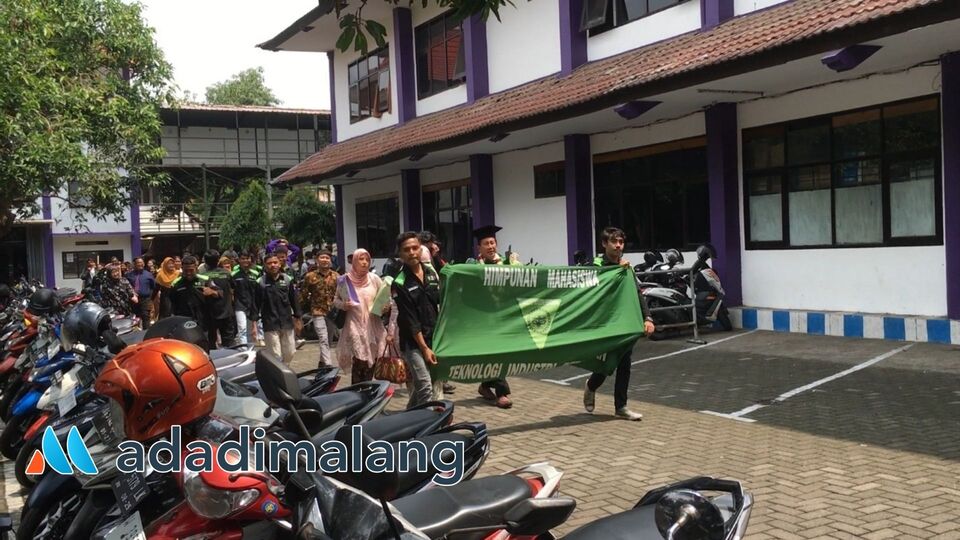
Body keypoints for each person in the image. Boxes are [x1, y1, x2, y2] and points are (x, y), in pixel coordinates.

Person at [582, 226, 654, 421]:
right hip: (604, 324)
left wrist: (648, 318)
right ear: (604, 244)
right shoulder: (597, 268)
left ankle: (620, 406)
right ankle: (591, 386)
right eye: (614, 242)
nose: (618, 245)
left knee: (624, 363)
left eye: (621, 242)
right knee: (607, 362)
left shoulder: (626, 268)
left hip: (624, 323)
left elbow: (637, 293)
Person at [392, 233, 443, 408]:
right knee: (425, 385)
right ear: (400, 254)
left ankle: (409, 416)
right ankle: (425, 427)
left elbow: (440, 302)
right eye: (406, 250)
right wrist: (425, 348)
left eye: (415, 248)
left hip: (433, 336)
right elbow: (410, 320)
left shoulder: (431, 272)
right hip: (412, 343)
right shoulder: (400, 282)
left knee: (424, 386)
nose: (412, 252)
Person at [472, 225, 516, 409]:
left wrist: (514, 264)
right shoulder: (473, 267)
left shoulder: (507, 263)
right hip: (484, 319)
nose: (490, 246)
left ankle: (484, 385)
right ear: (479, 248)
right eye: (486, 243)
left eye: (492, 242)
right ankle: (502, 393)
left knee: (500, 355)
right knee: (494, 354)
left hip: (503, 316)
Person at [334, 249, 391, 385]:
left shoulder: (374, 279)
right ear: (354, 261)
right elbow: (335, 300)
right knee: (360, 360)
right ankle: (357, 391)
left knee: (372, 359)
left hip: (373, 324)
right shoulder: (345, 280)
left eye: (367, 259)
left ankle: (368, 390)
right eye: (361, 259)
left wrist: (385, 306)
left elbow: (385, 298)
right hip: (354, 323)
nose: (365, 263)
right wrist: (343, 305)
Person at [253, 254, 302, 364]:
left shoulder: (287, 279)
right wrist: (254, 325)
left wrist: (298, 319)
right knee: (275, 355)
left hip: (287, 322)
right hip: (270, 323)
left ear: (279, 264)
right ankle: (279, 376)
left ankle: (285, 371)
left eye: (275, 262)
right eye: (269, 263)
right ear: (265, 266)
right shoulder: (260, 282)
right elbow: (255, 304)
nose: (273, 265)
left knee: (290, 352)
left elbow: (294, 300)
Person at [299, 250, 339, 367]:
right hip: (317, 311)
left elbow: (342, 293)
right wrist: (299, 313)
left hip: (332, 313)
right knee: (323, 338)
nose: (325, 260)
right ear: (317, 260)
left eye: (327, 257)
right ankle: (328, 364)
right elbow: (303, 295)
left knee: (329, 340)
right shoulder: (310, 276)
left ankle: (322, 363)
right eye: (322, 257)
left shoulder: (337, 277)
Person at [165, 255, 219, 335]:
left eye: (191, 270)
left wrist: (212, 292)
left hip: (204, 321)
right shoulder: (176, 284)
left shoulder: (205, 280)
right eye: (186, 270)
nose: (188, 273)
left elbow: (219, 293)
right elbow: (171, 302)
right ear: (182, 269)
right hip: (184, 322)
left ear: (196, 268)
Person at [202, 250, 237, 347]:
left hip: (210, 314)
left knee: (211, 342)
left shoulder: (203, 276)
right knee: (229, 342)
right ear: (218, 260)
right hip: (226, 311)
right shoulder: (227, 273)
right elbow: (234, 287)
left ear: (205, 261)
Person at [231, 252, 261, 346]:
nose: (245, 261)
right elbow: (231, 290)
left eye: (247, 258)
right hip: (239, 304)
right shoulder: (234, 274)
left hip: (254, 304)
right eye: (243, 259)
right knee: (242, 328)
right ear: (239, 260)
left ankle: (258, 342)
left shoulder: (256, 273)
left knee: (257, 326)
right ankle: (243, 348)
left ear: (250, 259)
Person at [125, 257, 156, 329]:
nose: (140, 264)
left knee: (146, 317)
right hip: (133, 300)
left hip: (145, 299)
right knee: (135, 318)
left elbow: (153, 286)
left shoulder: (148, 274)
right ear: (134, 264)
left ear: (144, 264)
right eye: (138, 263)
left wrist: (149, 297)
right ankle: (136, 334)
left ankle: (146, 335)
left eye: (141, 262)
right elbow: (125, 286)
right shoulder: (128, 275)